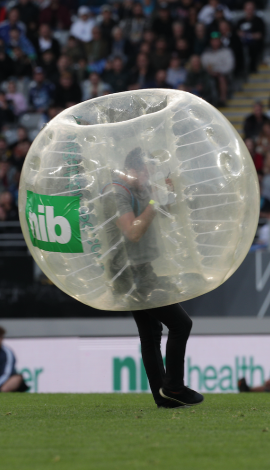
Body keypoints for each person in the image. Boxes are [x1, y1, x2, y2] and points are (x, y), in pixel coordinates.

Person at [101, 147, 203, 408]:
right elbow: (132, 232)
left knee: (151, 332)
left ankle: (163, 397)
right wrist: (155, 201)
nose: (149, 178)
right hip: (129, 273)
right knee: (181, 324)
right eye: (147, 173)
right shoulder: (116, 193)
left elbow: (167, 210)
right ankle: (174, 387)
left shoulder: (137, 188)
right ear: (132, 171)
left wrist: (169, 192)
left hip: (140, 269)